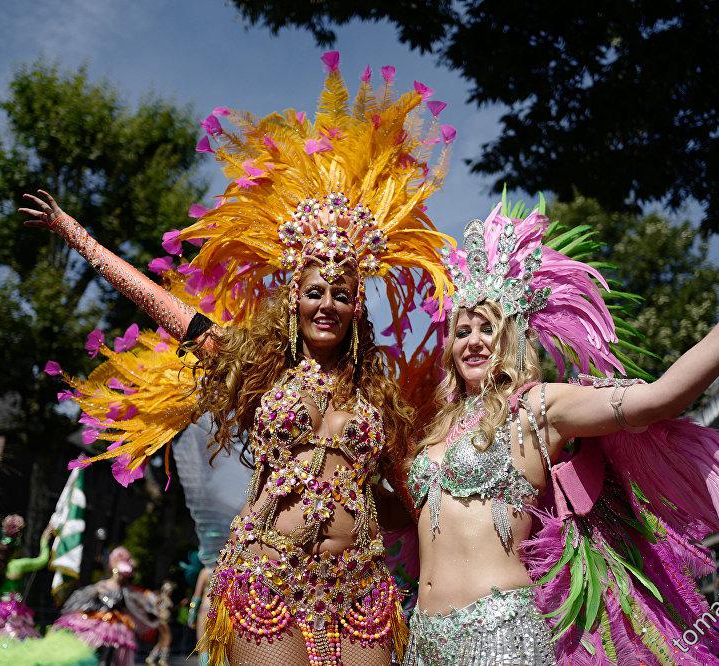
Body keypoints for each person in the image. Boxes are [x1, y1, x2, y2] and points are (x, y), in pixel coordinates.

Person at [22, 51, 455, 666]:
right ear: (293, 300)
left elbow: (408, 493)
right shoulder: (257, 366)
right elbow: (160, 304)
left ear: (358, 306)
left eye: (342, 293)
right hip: (266, 576)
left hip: (361, 588)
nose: (326, 304)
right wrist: (78, 236)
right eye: (314, 292)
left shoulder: (381, 392)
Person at [403, 200, 719, 665]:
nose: (474, 340)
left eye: (489, 328)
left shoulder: (538, 406)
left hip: (500, 639)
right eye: (463, 330)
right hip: (423, 640)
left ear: (513, 339)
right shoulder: (435, 429)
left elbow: (661, 397)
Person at [54, 547, 158, 666]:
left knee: (114, 654)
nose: (120, 576)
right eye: (119, 572)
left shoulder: (126, 591)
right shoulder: (102, 585)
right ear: (114, 569)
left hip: (118, 627)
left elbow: (136, 607)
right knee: (91, 648)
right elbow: (83, 600)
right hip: (97, 622)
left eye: (124, 574)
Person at [146, 580, 176, 666]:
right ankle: (163, 659)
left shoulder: (166, 598)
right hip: (162, 621)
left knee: (162, 640)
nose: (171, 592)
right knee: (168, 638)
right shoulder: (162, 597)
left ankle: (151, 658)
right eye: (170, 590)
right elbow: (154, 605)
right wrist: (158, 613)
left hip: (164, 620)